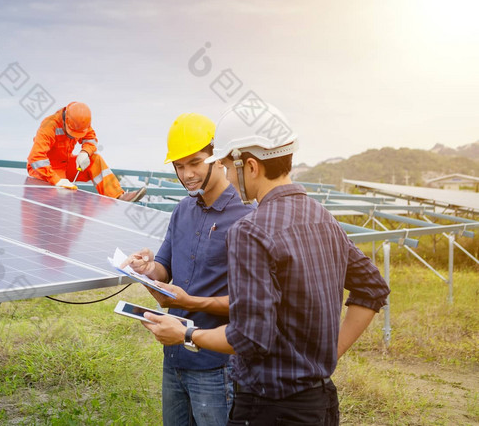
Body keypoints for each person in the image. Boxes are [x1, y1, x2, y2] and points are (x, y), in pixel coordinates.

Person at [141, 104, 391, 425]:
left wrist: (187, 334)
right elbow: (373, 288)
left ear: (251, 166)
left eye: (230, 167)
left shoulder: (251, 229)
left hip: (268, 407)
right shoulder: (322, 217)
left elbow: (249, 338)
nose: (229, 176)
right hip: (319, 402)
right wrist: (329, 357)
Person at [121, 113, 255, 426]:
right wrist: (146, 267)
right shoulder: (182, 210)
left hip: (218, 364)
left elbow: (249, 303)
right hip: (174, 355)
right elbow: (163, 269)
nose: (187, 174)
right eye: (179, 167)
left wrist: (186, 302)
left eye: (194, 162)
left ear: (218, 157)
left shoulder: (247, 215)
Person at [26, 102, 146, 202]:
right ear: (66, 120)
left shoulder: (82, 122)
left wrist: (85, 152)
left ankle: (118, 196)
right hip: (46, 171)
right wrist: (56, 179)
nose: (73, 136)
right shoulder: (49, 125)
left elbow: (91, 140)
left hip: (65, 165)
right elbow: (36, 158)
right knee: (61, 197)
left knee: (95, 159)